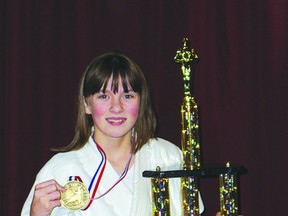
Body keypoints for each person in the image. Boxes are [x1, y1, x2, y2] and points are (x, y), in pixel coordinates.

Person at [21, 52, 204, 216]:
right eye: (103, 96)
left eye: (127, 96)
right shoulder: (61, 169)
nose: (116, 108)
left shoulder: (168, 156)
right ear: (86, 104)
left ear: (141, 103)